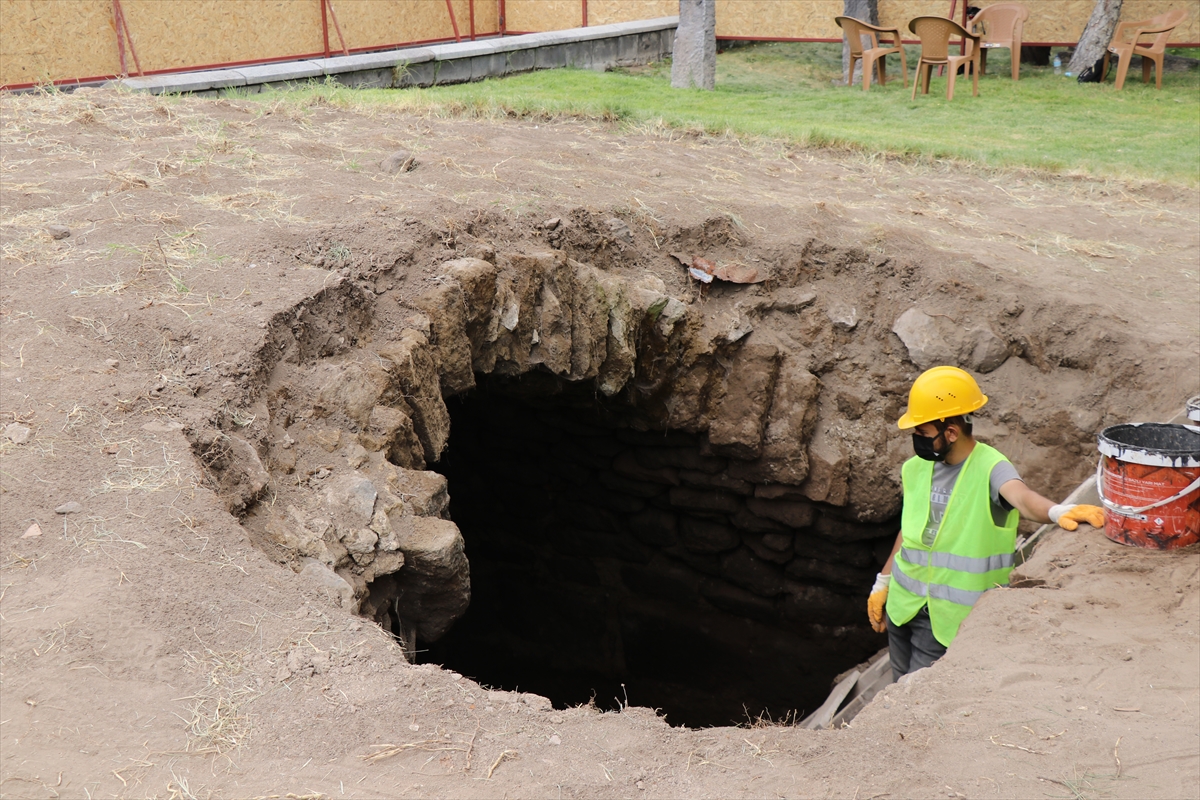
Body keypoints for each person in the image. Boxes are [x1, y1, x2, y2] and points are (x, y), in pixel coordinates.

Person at [867, 366, 1104, 682]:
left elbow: (1021, 498)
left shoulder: (991, 467)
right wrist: (883, 582)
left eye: (922, 433)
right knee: (899, 686)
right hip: (903, 604)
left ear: (950, 432)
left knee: (914, 694)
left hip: (947, 619)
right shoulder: (915, 469)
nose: (916, 441)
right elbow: (911, 532)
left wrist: (1056, 511)